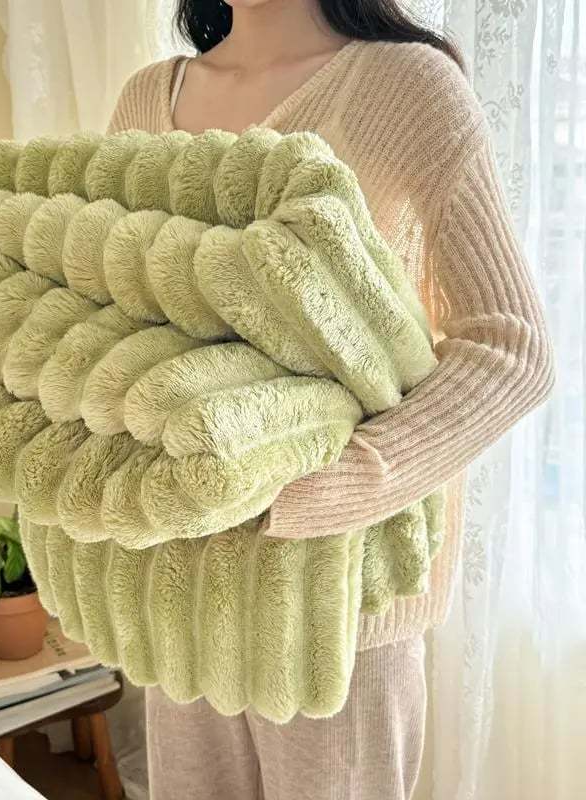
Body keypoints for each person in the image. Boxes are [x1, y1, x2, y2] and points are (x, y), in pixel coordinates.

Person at [105, 1, 555, 798]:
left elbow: (511, 346)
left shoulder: (407, 85)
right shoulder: (146, 98)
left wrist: (330, 486)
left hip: (339, 608)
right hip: (181, 596)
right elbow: (111, 318)